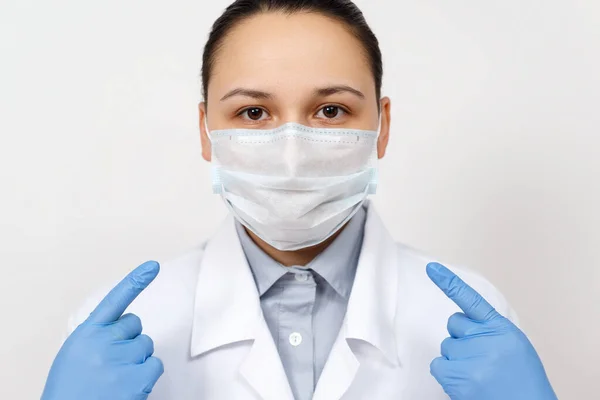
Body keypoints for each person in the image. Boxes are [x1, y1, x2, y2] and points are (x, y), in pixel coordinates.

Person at [41, 1, 558, 399]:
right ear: (205, 130)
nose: (291, 154)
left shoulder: (470, 318)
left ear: (382, 127)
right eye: (253, 113)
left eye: (330, 111)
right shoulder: (126, 324)